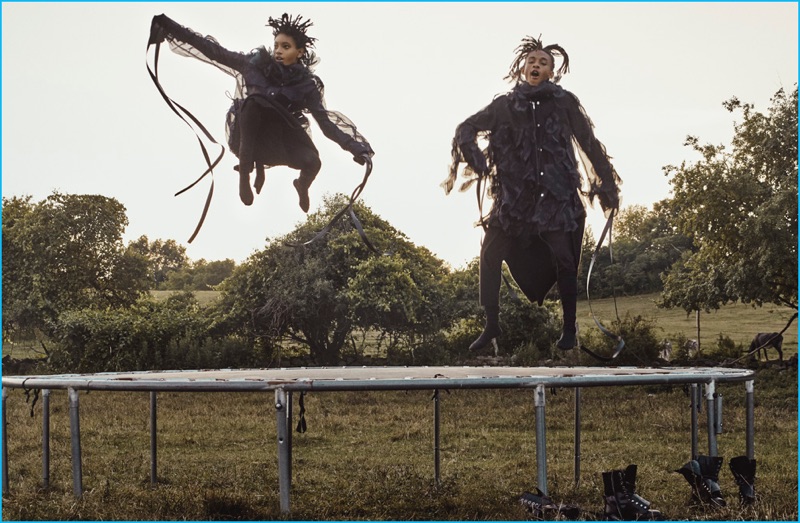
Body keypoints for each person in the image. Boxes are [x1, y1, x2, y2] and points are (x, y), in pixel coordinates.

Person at [443, 36, 621, 351]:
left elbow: (589, 143)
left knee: (566, 260)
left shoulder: (564, 102)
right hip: (515, 201)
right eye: (532, 61)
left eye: (543, 62)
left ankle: (570, 329)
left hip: (554, 198)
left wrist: (607, 183)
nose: (536, 65)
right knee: (489, 253)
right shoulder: (504, 106)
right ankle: (492, 324)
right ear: (523, 68)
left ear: (552, 72)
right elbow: (465, 128)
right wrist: (478, 159)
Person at [149, 13, 374, 212]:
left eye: (285, 47)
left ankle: (301, 185)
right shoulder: (253, 65)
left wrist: (358, 149)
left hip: (278, 141)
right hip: (248, 137)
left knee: (313, 161)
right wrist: (167, 25)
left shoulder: (306, 85)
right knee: (254, 102)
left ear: (299, 52)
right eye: (276, 45)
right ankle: (244, 175)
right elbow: (212, 51)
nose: (278, 51)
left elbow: (326, 125)